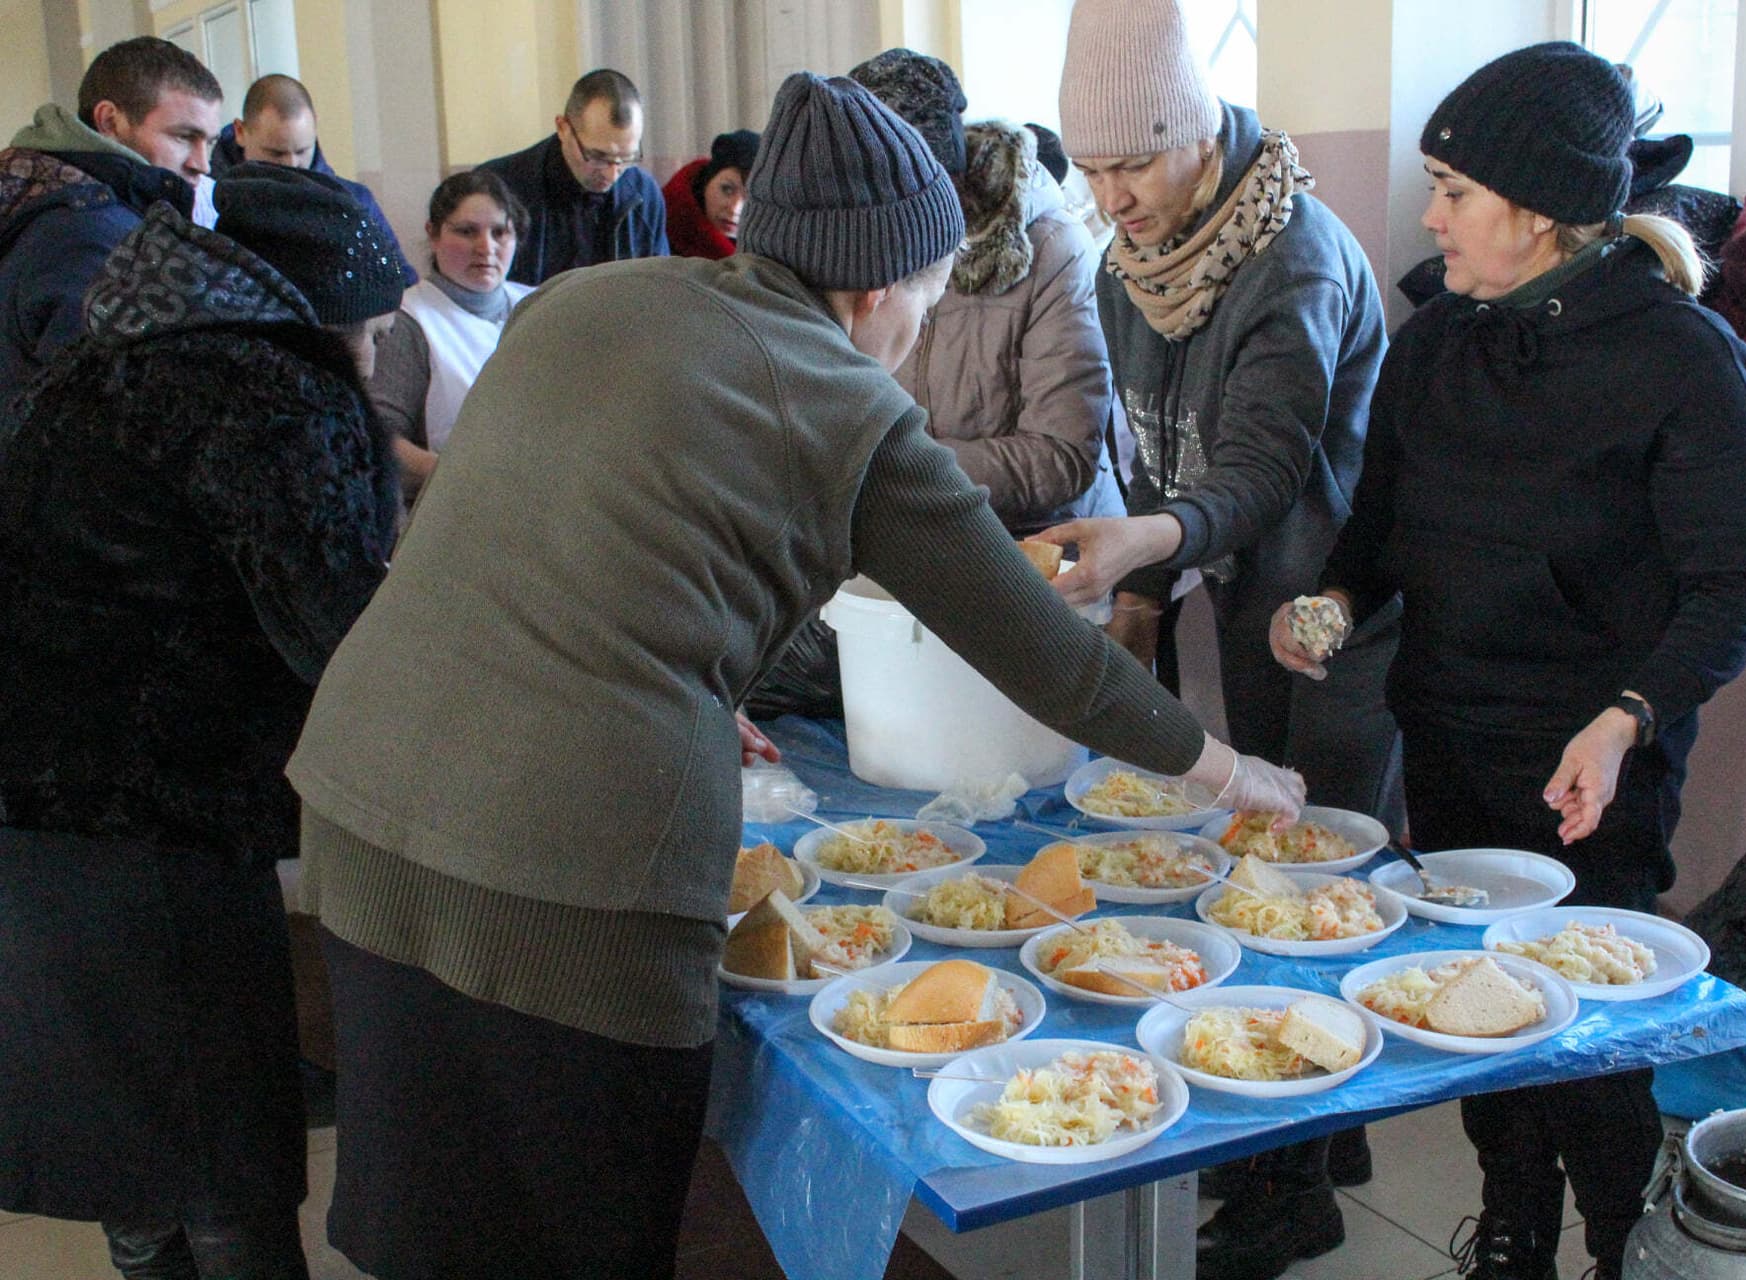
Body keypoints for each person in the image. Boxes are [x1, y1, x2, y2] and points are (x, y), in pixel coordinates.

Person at [284, 72, 1305, 1280]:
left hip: (361, 797)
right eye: (928, 298)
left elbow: (544, 526)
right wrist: (1234, 767)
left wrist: (692, 671)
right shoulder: (848, 402)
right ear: (877, 287)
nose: (918, 331)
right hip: (564, 863)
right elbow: (1047, 655)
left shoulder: (580, 298)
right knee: (580, 1231)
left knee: (437, 1218)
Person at [1270, 43, 1746, 1280]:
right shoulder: (1439, 338)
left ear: (1542, 210)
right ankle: (1509, 1227)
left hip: (1592, 760)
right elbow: (1374, 537)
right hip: (1445, 731)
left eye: (1453, 189)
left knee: (1590, 1030)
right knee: (1474, 1010)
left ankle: (1622, 1241)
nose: (1429, 213)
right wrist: (1329, 606)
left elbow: (1737, 587)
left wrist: (1624, 721)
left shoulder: (1682, 359)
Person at [1040, 5, 1401, 1273]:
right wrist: (1145, 586)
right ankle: (1316, 1142)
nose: (1111, 196)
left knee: (1306, 893)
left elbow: (1253, 476)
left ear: (1196, 134)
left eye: (1133, 163)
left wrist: (1144, 542)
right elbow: (1147, 448)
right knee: (1250, 862)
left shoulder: (1293, 257)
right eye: (1088, 170)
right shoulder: (1128, 260)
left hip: (1336, 612)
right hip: (1238, 595)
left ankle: (1293, 1188)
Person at [0, 164, 406, 1280]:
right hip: (150, 819)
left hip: (43, 807)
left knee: (129, 1146)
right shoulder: (261, 389)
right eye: (369, 328)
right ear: (317, 309)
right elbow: (340, 632)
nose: (372, 354)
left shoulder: (122, 350)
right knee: (222, 1155)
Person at [849, 47, 1125, 532]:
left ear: (940, 183)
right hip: (907, 533)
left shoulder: (1051, 245)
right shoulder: (858, 241)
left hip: (1038, 543)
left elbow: (1061, 457)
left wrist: (891, 467)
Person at [0, 36, 220, 395]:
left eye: (209, 142)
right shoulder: (92, 234)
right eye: (184, 137)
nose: (202, 164)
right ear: (109, 121)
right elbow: (97, 414)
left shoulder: (41, 189)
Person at [368, 169, 531, 498]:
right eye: (467, 232)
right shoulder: (409, 320)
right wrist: (460, 476)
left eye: (500, 232)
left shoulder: (538, 303)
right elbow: (379, 441)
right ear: (434, 234)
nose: (486, 248)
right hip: (456, 507)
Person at [208, 73, 416, 284]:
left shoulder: (355, 200)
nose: (292, 165)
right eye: (275, 153)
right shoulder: (205, 200)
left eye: (302, 151)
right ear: (241, 132)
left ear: (315, 126)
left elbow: (401, 281)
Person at [477, 67, 668, 286]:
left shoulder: (644, 195)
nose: (612, 173)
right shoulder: (500, 189)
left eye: (627, 158)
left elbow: (657, 289)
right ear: (562, 128)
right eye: (597, 156)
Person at [662, 128, 758, 258]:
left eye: (750, 199)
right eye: (727, 189)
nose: (735, 209)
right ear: (707, 182)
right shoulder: (661, 234)